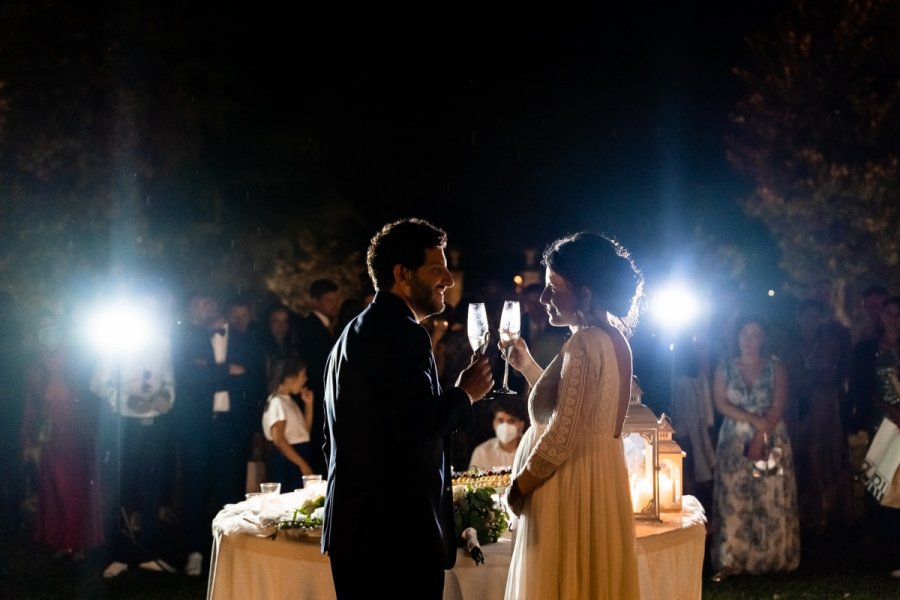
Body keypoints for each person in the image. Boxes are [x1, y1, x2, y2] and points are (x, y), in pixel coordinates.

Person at [320, 218, 494, 600]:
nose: (448, 279)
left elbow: (337, 436)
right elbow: (416, 424)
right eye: (437, 268)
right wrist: (465, 394)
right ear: (401, 273)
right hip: (395, 538)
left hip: (354, 530)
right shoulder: (404, 334)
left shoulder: (351, 333)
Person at [502, 232, 643, 599]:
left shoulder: (582, 343)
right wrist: (528, 367)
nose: (544, 298)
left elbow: (562, 435)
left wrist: (520, 487)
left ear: (585, 293)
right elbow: (580, 408)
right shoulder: (614, 339)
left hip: (569, 488)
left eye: (553, 287)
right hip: (599, 482)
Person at [90, 291, 176, 578]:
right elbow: (99, 382)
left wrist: (164, 397)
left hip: (154, 425)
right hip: (124, 426)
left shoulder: (163, 341)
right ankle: (118, 553)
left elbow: (168, 379)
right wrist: (126, 400)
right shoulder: (116, 341)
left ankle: (149, 551)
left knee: (152, 487)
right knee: (121, 489)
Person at [709, 315, 800, 581]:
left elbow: (779, 404)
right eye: (745, 334)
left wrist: (761, 433)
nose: (750, 340)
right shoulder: (725, 366)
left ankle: (772, 557)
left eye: (755, 335)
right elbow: (721, 403)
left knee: (769, 493)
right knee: (734, 497)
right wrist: (751, 419)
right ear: (737, 337)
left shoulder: (775, 367)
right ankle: (731, 559)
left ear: (763, 339)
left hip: (771, 437)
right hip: (734, 440)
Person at [22, 309, 103, 560]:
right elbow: (31, 405)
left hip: (78, 431)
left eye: (52, 328)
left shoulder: (78, 358)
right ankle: (59, 539)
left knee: (77, 488)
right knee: (53, 487)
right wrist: (28, 440)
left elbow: (92, 393)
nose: (48, 335)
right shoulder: (35, 366)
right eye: (42, 330)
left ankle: (78, 541)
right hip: (51, 433)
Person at [297, 278, 340, 476]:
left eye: (335, 300)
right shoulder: (308, 327)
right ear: (316, 301)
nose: (334, 304)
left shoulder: (331, 327)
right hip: (318, 395)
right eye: (329, 300)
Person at [261, 357, 315, 492]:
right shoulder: (277, 402)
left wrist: (308, 405)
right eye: (303, 375)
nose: (305, 379)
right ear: (290, 377)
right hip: (288, 461)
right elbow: (279, 440)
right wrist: (303, 465)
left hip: (298, 456)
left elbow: (304, 432)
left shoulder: (289, 401)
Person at [468, 396, 527, 471]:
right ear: (494, 423)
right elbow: (471, 481)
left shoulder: (532, 451)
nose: (505, 426)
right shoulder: (482, 452)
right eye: (500, 420)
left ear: (521, 425)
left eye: (511, 421)